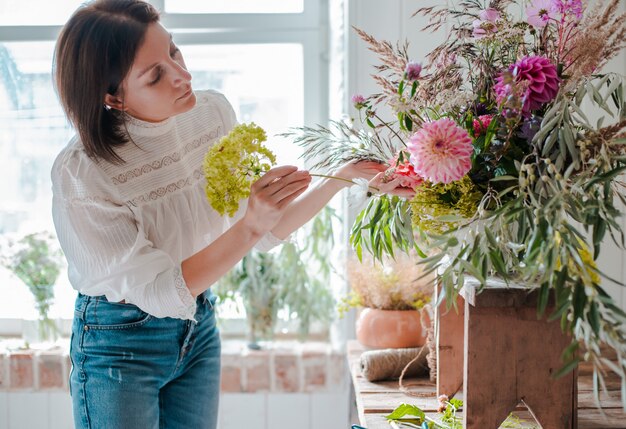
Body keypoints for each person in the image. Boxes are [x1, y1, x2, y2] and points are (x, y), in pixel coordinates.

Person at [51, 1, 397, 428]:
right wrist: (252, 223)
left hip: (197, 325)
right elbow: (161, 291)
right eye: (156, 75)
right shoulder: (83, 174)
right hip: (118, 342)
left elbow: (264, 230)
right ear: (111, 97)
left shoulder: (211, 115)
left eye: (174, 52)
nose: (183, 76)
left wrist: (345, 177)